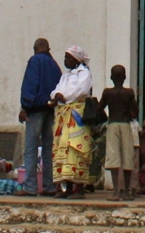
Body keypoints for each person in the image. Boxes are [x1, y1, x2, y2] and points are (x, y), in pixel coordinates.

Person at [50, 46, 98, 198]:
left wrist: (65, 98)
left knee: (77, 150)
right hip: (63, 118)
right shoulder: (66, 76)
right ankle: (67, 188)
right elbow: (57, 89)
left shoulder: (84, 73)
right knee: (63, 151)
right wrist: (56, 95)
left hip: (76, 116)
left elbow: (81, 91)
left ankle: (80, 189)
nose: (65, 61)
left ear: (77, 59)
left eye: (68, 58)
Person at [17, 39, 59, 195]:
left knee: (31, 149)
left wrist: (25, 107)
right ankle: (48, 186)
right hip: (50, 110)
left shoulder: (34, 61)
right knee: (48, 149)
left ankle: (30, 187)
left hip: (35, 110)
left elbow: (30, 85)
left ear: (34, 49)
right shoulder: (54, 65)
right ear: (49, 48)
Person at [99, 66, 138, 201]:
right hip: (126, 125)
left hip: (113, 124)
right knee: (128, 158)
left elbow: (99, 109)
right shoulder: (129, 92)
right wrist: (128, 113)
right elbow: (135, 111)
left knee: (113, 158)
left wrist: (106, 118)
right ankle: (126, 191)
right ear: (125, 77)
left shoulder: (107, 92)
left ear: (111, 77)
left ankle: (116, 192)